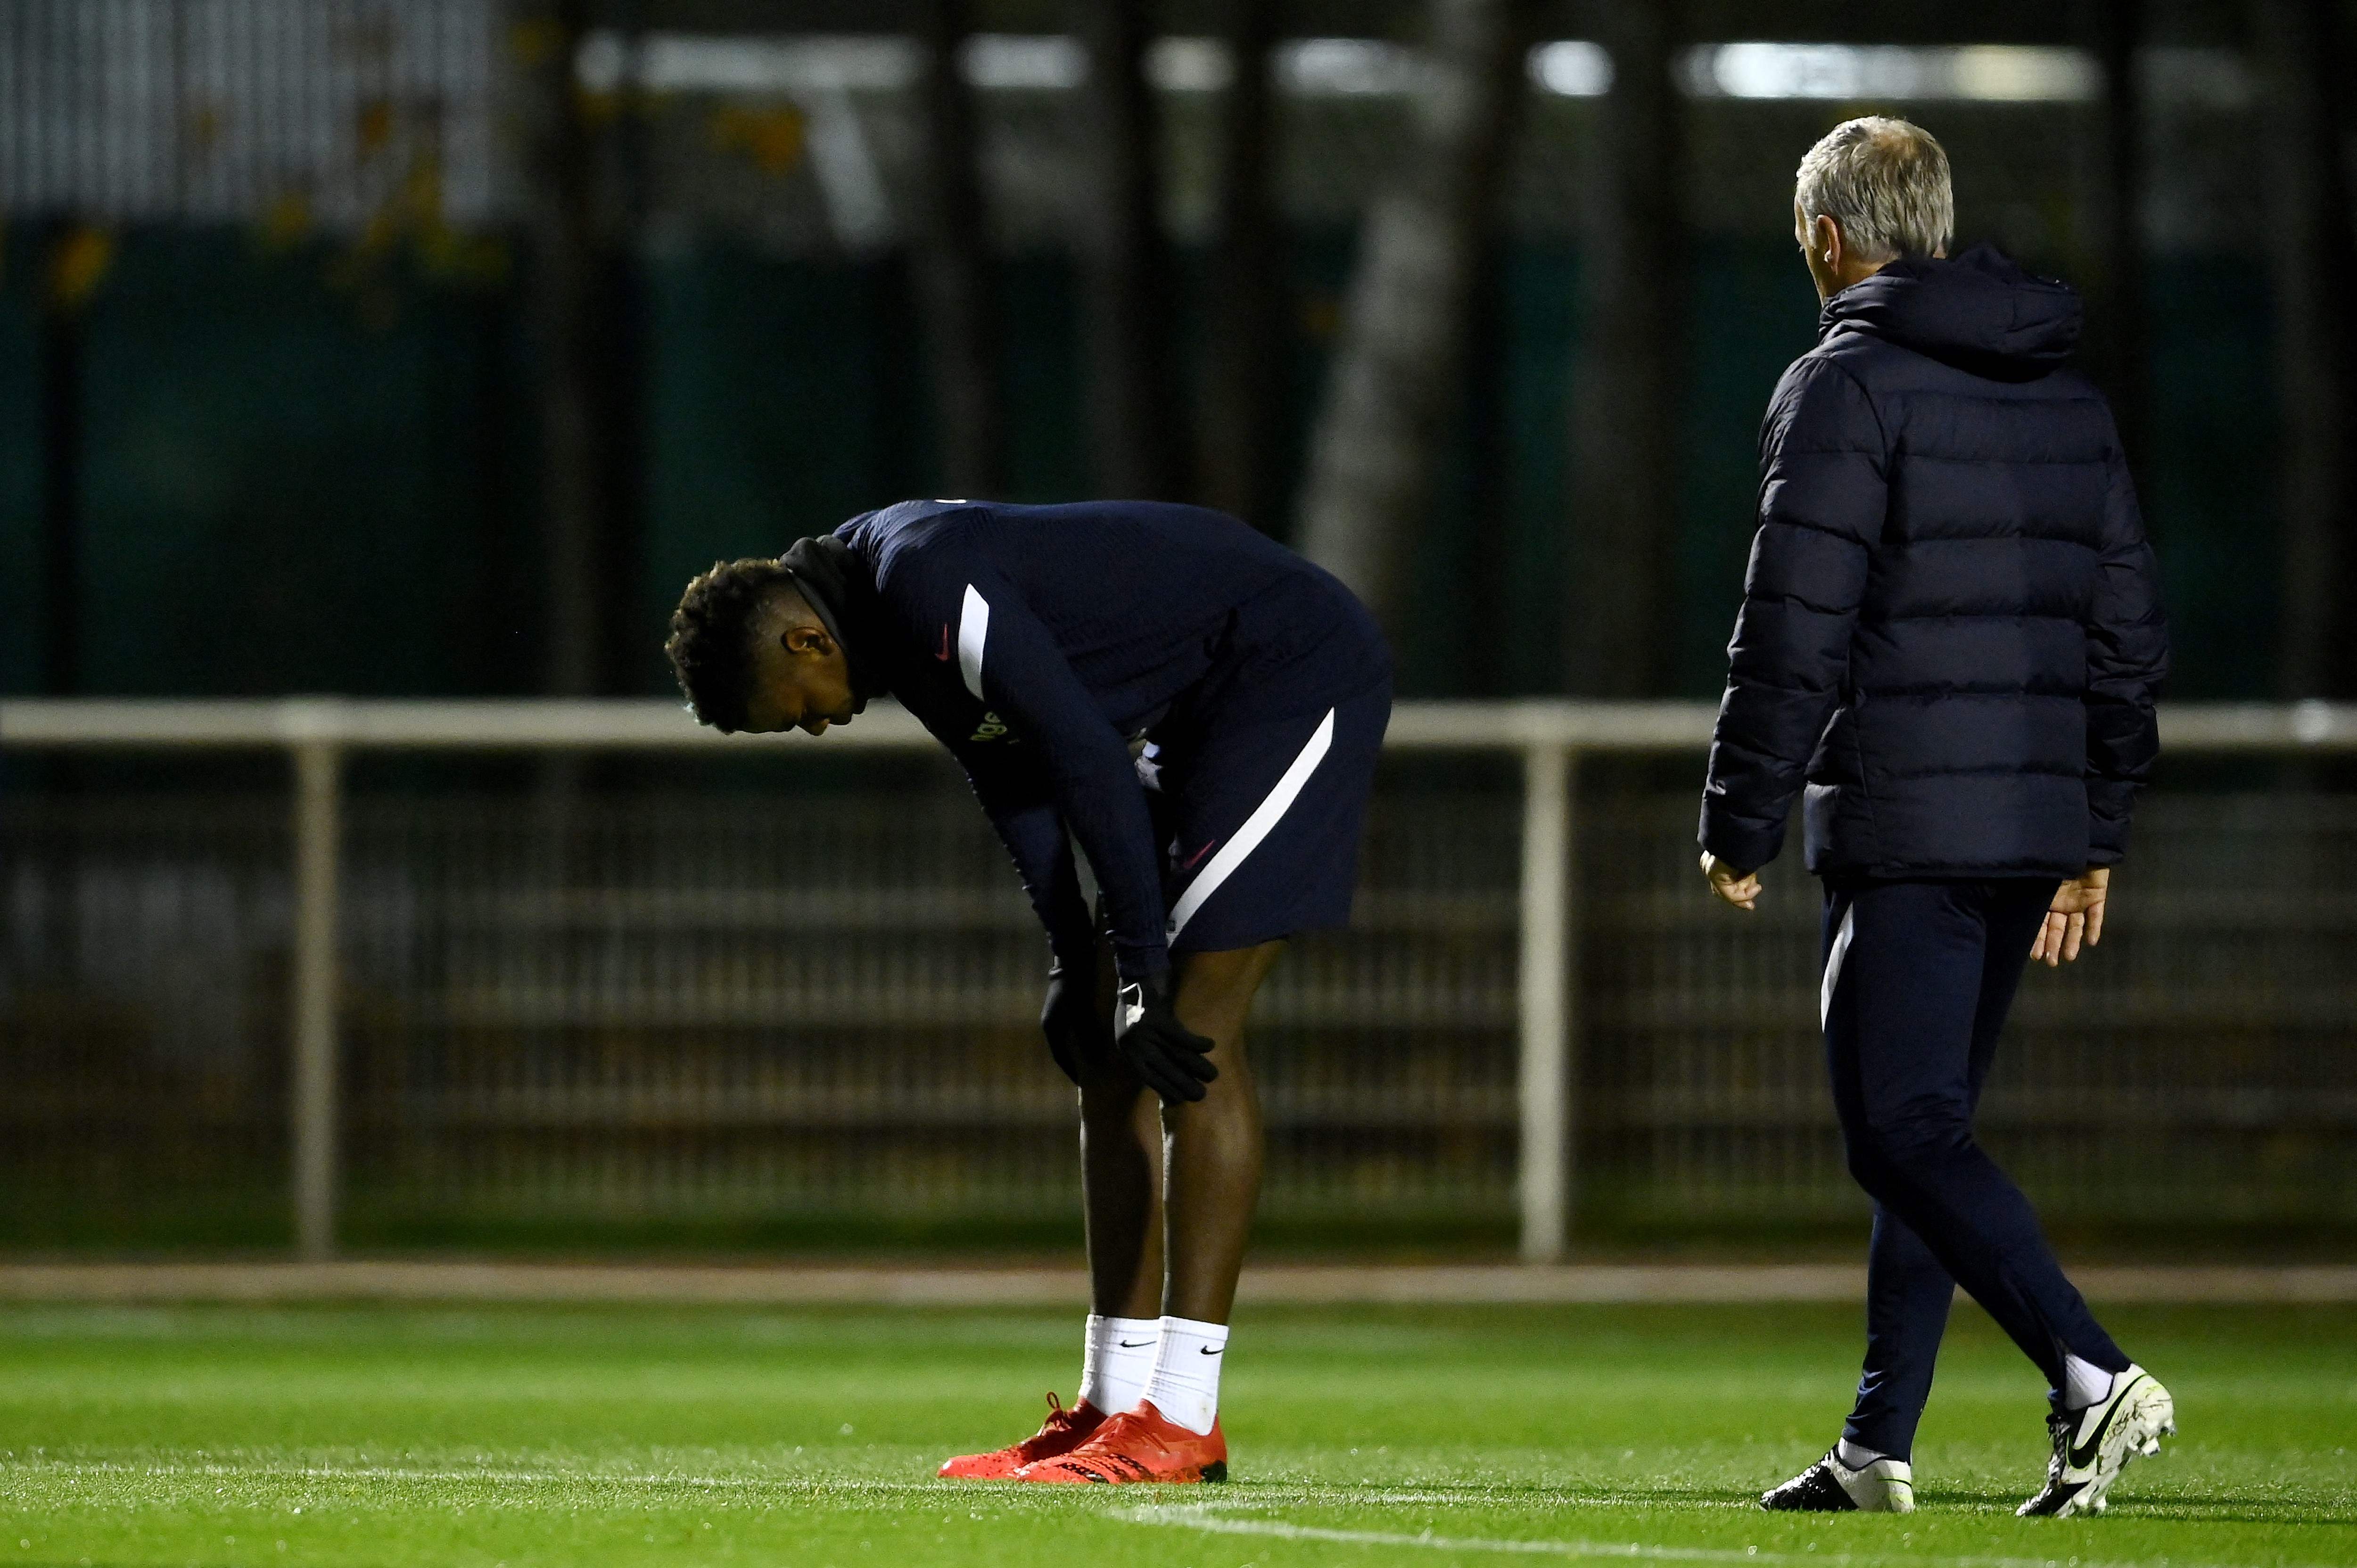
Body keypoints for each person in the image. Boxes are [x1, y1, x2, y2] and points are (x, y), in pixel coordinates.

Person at [665, 499, 1393, 1484]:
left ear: (805, 637)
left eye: (798, 705)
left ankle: (1181, 1415)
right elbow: (1010, 773)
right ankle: (1111, 1402)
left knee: (1190, 1022)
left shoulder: (917, 577)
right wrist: (1073, 959)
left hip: (1287, 670)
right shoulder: (874, 604)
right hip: (1198, 707)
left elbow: (1084, 756)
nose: (819, 722)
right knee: (1105, 1043)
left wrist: (1139, 970)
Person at [1697, 118, 2174, 1519]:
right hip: (2027, 823)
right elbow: (2128, 630)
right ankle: (1876, 1447)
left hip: (1910, 814)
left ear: (1832, 239)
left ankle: (2091, 1372)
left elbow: (1795, 621)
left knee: (1898, 1131)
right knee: (1929, 1125)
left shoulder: (1845, 385)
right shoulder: (2065, 393)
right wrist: (2096, 825)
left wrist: (1742, 808)